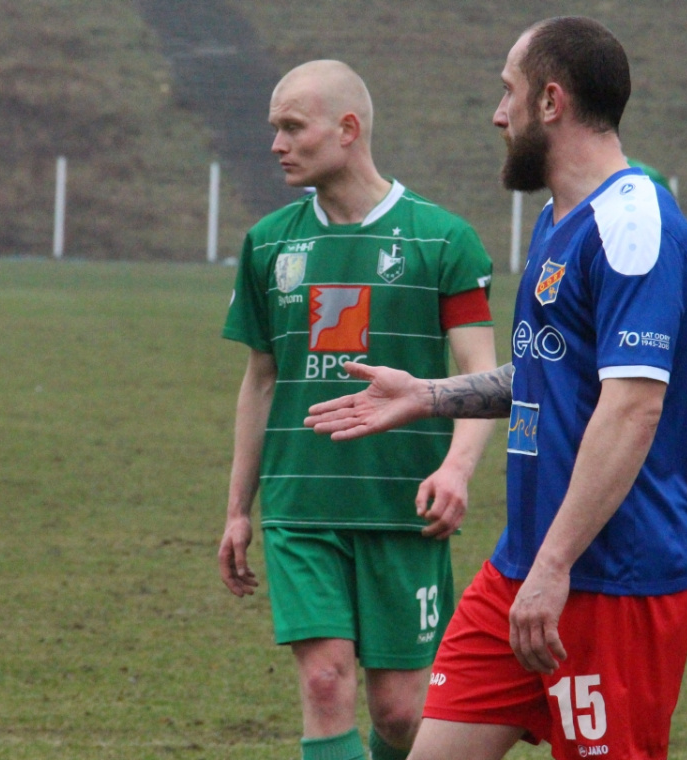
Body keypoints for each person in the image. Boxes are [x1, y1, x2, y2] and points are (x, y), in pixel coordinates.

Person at [306, 17, 687, 760]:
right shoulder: (560, 220)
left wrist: (555, 570)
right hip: (521, 568)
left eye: (508, 93)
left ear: (551, 102)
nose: (498, 114)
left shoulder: (633, 224)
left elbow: (632, 408)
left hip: (614, 582)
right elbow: (552, 377)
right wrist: (429, 395)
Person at [217, 60, 497, 760]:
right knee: (324, 681)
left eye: (292, 127)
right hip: (301, 505)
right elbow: (260, 380)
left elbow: (483, 375)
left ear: (348, 129)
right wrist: (237, 508)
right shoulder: (268, 244)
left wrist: (458, 470)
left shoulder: (443, 240)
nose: (277, 144)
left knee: (402, 714)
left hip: (402, 507)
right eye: (273, 129)